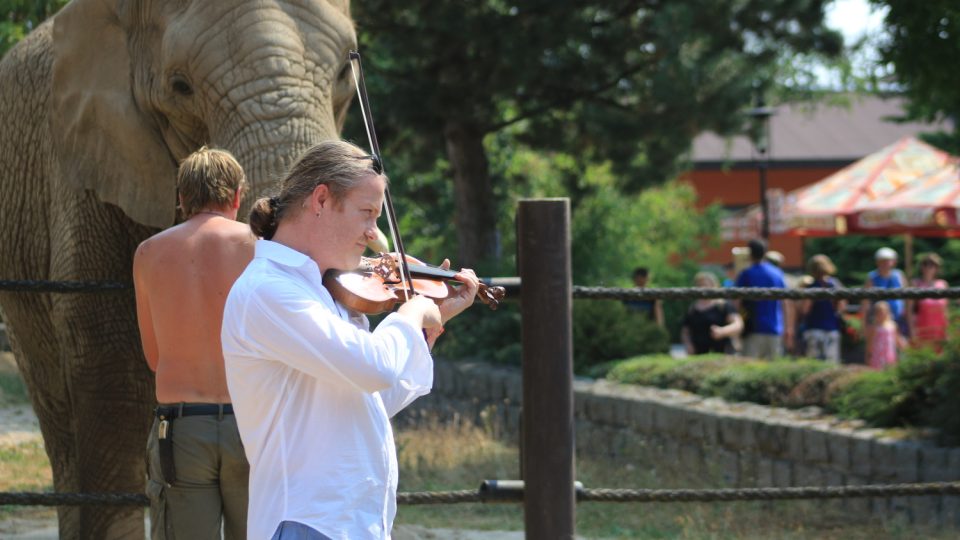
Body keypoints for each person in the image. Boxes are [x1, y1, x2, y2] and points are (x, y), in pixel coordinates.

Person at [220, 140, 480, 540]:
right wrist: (410, 313)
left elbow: (368, 400)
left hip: (349, 523)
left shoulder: (330, 291)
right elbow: (372, 367)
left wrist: (429, 323)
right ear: (321, 199)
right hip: (306, 522)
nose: (375, 234)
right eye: (367, 213)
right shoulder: (268, 291)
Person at [133, 147, 255, 540]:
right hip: (254, 425)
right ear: (237, 196)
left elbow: (154, 358)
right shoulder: (263, 249)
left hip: (182, 428)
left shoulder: (148, 253)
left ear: (182, 198)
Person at [735, 239, 793, 359]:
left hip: (753, 329)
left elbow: (737, 301)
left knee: (750, 368)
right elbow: (785, 302)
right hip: (775, 329)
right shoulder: (777, 273)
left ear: (750, 253)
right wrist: (788, 328)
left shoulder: (746, 274)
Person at [681, 272, 743, 355]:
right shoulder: (692, 308)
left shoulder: (723, 305)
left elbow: (738, 324)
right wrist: (688, 344)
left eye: (705, 285)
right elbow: (685, 331)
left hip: (722, 353)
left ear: (714, 286)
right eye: (700, 285)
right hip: (698, 354)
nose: (703, 288)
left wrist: (723, 331)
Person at [799, 254, 846, 363]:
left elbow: (805, 309)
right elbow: (842, 307)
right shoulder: (835, 284)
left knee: (814, 364)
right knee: (831, 364)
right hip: (832, 328)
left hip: (814, 328)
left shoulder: (812, 286)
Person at [862, 247, 908, 351]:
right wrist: (864, 324)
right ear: (877, 262)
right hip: (878, 321)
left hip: (898, 319)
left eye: (888, 260)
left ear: (894, 262)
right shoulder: (872, 277)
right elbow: (865, 302)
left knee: (901, 347)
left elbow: (908, 298)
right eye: (882, 261)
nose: (885, 263)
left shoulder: (899, 275)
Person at [908, 252, 949, 351]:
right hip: (922, 329)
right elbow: (909, 310)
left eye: (932, 265)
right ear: (921, 267)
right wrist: (911, 330)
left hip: (939, 330)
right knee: (923, 359)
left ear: (937, 268)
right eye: (925, 264)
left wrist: (948, 330)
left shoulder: (943, 284)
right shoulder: (915, 284)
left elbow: (946, 310)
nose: (928, 267)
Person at [866, 301, 907, 369]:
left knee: (890, 369)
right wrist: (868, 356)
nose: (882, 314)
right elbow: (870, 343)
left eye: (883, 312)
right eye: (879, 312)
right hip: (878, 354)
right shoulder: (874, 327)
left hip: (889, 353)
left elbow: (897, 339)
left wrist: (903, 346)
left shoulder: (892, 325)